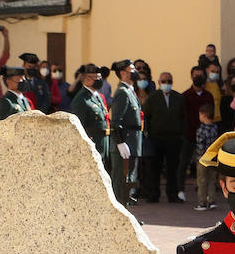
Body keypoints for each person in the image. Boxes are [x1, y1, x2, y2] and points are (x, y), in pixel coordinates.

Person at [144, 71, 186, 203]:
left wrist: (181, 136)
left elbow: (183, 118)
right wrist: (149, 135)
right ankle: (153, 194)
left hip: (174, 139)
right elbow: (146, 117)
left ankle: (172, 194)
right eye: (164, 81)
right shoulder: (152, 97)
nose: (166, 83)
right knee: (154, 168)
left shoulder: (178, 97)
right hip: (156, 138)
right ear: (158, 82)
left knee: (172, 168)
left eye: (169, 81)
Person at [109, 60, 143, 207]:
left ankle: (127, 213)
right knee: (121, 180)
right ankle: (119, 214)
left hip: (133, 141)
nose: (135, 72)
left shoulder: (130, 90)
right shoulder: (122, 93)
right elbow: (116, 121)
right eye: (131, 69)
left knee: (129, 180)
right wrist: (120, 142)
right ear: (122, 73)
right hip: (125, 142)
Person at [69, 64, 110, 165]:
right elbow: (78, 127)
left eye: (99, 77)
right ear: (86, 78)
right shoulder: (81, 99)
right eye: (95, 77)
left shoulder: (97, 96)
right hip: (92, 142)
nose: (99, 80)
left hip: (103, 141)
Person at [192, 104, 219, 211]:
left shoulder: (201, 130)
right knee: (212, 179)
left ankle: (202, 202)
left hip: (203, 159)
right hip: (213, 158)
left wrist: (198, 157)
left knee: (202, 180)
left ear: (204, 115)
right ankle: (211, 200)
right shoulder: (215, 128)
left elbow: (199, 145)